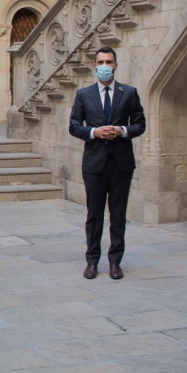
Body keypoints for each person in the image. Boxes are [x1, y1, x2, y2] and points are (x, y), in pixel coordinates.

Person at [67, 46, 146, 280]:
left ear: (115, 65)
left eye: (109, 62)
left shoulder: (129, 93)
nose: (104, 66)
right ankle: (92, 261)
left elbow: (140, 124)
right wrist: (94, 132)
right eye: (100, 62)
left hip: (121, 164)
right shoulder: (84, 95)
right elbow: (74, 126)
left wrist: (121, 130)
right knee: (94, 214)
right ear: (94, 66)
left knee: (118, 214)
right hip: (94, 164)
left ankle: (115, 262)